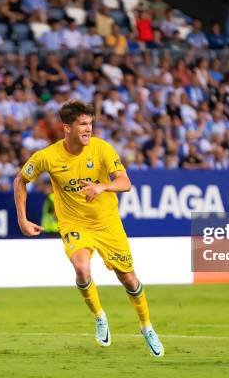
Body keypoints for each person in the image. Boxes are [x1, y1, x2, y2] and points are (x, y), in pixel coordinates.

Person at [14, 99, 164, 357]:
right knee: (82, 268)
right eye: (82, 124)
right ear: (67, 128)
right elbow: (20, 180)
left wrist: (102, 187)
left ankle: (146, 327)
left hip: (107, 223)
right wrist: (22, 219)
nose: (88, 129)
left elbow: (125, 182)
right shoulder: (47, 157)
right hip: (74, 223)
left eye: (90, 124)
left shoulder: (102, 149)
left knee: (128, 278)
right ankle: (99, 316)